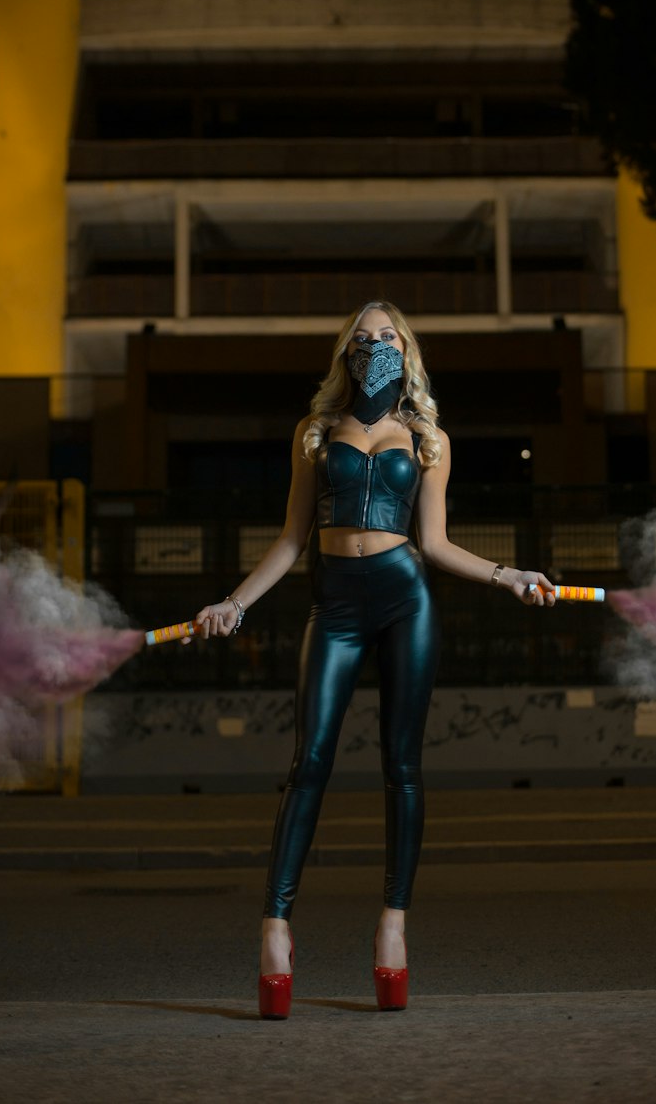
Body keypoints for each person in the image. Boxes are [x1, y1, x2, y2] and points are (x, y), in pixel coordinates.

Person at [192, 301, 555, 1017]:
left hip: (403, 599)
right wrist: (234, 601)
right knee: (310, 762)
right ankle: (275, 926)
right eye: (362, 336)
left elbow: (437, 542)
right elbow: (293, 538)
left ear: (407, 349)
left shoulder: (425, 437)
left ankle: (393, 923)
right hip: (334, 608)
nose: (375, 344)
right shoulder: (315, 432)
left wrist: (508, 574)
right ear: (345, 352)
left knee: (402, 764)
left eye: (388, 335)